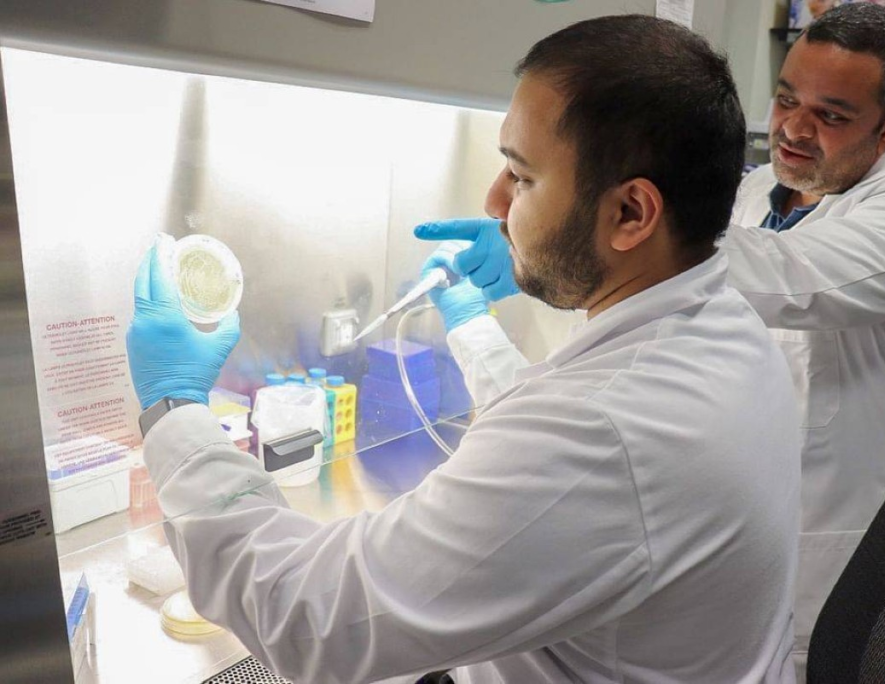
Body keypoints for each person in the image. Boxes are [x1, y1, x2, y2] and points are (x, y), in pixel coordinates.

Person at [127, 15, 802, 684]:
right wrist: (469, 321)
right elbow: (569, 446)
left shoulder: (602, 433)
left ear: (630, 214)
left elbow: (306, 618)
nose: (494, 200)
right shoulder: (729, 326)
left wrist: (175, 407)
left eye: (522, 177)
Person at [420, 5, 885, 678]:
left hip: (843, 549)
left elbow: (787, 277)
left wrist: (558, 236)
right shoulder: (750, 194)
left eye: (831, 115)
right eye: (786, 99)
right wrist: (549, 246)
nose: (794, 129)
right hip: (728, 533)